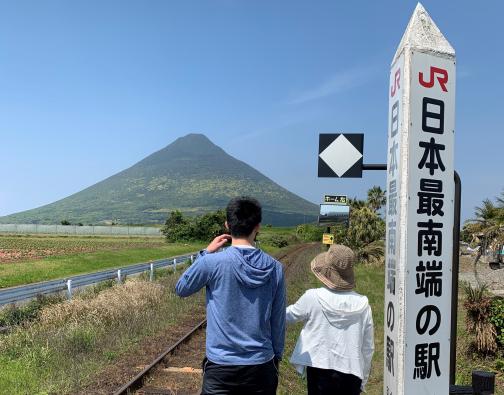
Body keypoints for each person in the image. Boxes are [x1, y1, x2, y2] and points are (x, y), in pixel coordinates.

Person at [175, 196, 285, 395]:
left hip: (221, 366)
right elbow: (278, 320)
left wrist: (205, 253)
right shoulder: (275, 268)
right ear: (258, 226)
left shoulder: (212, 262)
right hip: (261, 364)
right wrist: (276, 357)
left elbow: (182, 288)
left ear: (227, 225)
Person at [286, 244, 374, 395]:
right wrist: (363, 380)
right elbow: (368, 348)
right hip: (352, 373)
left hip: (319, 369)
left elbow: (288, 316)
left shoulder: (312, 297)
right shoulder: (363, 304)